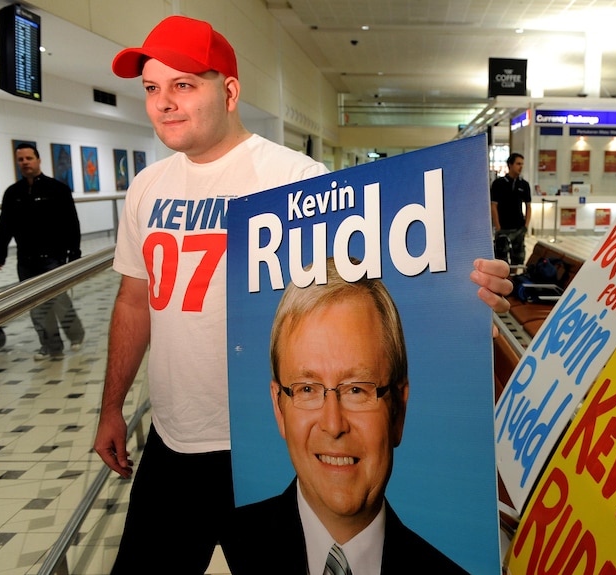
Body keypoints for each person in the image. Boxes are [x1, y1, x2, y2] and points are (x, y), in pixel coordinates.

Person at [92, 15, 511, 575]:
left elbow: (376, 281)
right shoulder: (147, 187)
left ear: (231, 91)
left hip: (264, 447)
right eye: (152, 89)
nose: (164, 102)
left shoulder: (294, 178)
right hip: (173, 443)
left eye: (184, 85)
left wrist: (466, 292)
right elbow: (133, 300)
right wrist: (111, 407)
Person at [232, 259, 468, 574]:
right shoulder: (224, 550)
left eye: (357, 390)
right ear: (279, 407)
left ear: (398, 409)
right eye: (307, 389)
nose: (333, 425)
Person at [0, 142, 85, 360]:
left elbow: (71, 222)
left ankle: (76, 334)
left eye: (28, 158)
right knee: (35, 305)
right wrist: (0, 254)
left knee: (59, 300)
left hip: (53, 257)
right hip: (26, 259)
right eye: (21, 160)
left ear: (38, 160)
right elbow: (4, 225)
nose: (25, 163)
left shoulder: (57, 189)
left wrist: (74, 252)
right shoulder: (13, 193)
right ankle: (51, 346)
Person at [491, 152, 532, 265]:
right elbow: (493, 206)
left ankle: (515, 281)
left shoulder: (524, 185)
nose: (521, 167)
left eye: (522, 164)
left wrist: (526, 226)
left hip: (519, 227)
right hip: (503, 228)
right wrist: (498, 227)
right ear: (510, 165)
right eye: (518, 164)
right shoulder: (498, 184)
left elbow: (528, 206)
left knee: (518, 259)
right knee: (501, 259)